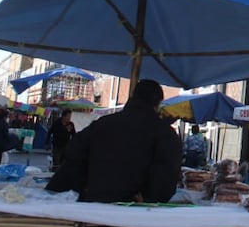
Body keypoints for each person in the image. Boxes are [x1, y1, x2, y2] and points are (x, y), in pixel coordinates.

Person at [46, 79, 182, 203]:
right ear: (157, 104)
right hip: (136, 213)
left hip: (92, 205)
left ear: (132, 97)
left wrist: (85, 186)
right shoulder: (165, 133)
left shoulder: (103, 123)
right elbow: (167, 177)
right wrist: (150, 197)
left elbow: (73, 152)